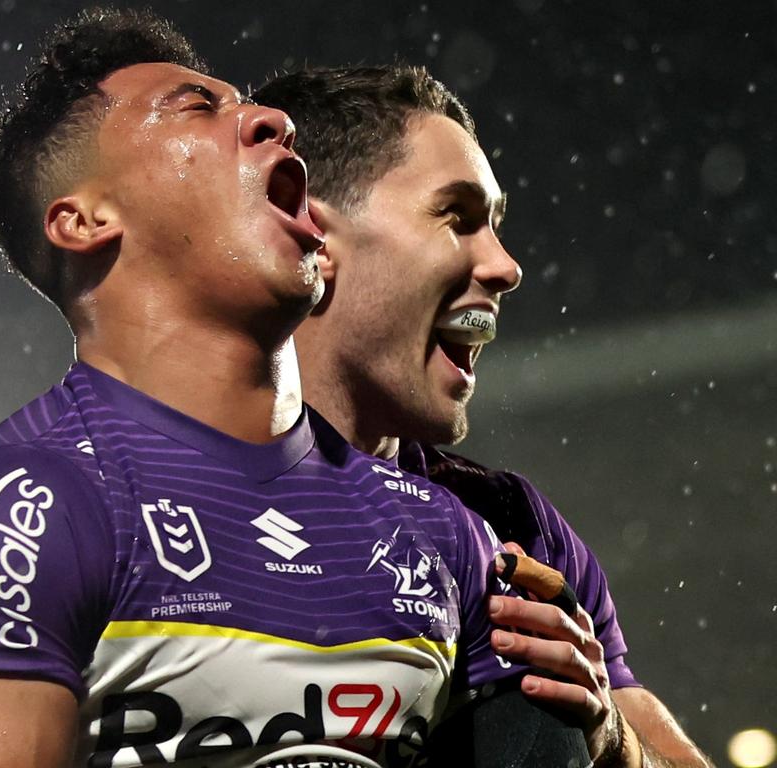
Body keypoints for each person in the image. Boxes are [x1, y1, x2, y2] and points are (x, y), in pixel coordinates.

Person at [0, 9, 590, 768]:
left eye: (249, 104)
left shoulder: (452, 539)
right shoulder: (19, 530)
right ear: (84, 219)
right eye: (198, 107)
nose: (272, 121)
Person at [253, 65, 714, 767]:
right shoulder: (134, 501)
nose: (506, 267)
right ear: (315, 237)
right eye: (458, 217)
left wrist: (611, 742)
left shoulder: (513, 527)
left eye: (495, 227)